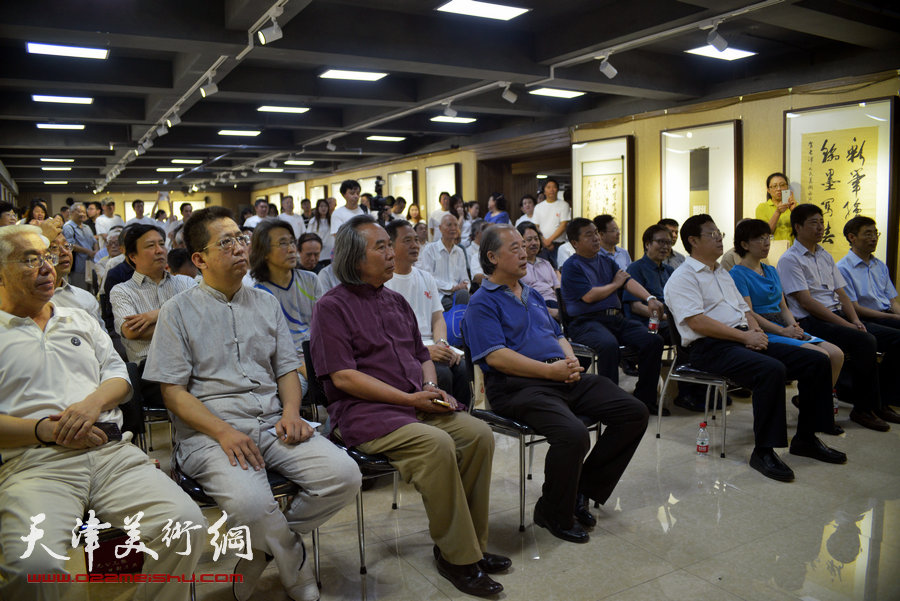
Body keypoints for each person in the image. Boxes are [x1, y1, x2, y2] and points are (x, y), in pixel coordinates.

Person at [143, 207, 360, 601]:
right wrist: (223, 432)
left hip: (273, 420)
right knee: (250, 504)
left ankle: (262, 551)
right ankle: (294, 565)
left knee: (345, 476)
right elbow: (172, 393)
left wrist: (292, 412)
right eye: (225, 242)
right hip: (211, 433)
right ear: (199, 259)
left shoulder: (264, 302)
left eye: (240, 239)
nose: (239, 248)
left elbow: (286, 370)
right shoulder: (178, 311)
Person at [0, 224, 203, 601]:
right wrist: (45, 430)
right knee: (34, 568)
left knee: (186, 525)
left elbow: (119, 378)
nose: (48, 267)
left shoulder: (78, 318)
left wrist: (92, 404)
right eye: (30, 260)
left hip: (111, 453)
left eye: (47, 257)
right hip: (36, 463)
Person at [310, 215, 510, 597]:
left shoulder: (395, 300)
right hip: (366, 413)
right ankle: (459, 557)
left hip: (413, 402)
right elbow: (343, 378)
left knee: (478, 433)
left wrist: (432, 387)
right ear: (354, 259)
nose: (393, 253)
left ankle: (469, 545)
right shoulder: (331, 307)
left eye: (391, 244)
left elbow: (421, 355)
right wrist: (409, 398)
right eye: (381, 247)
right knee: (437, 446)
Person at [464, 224, 648, 544]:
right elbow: (496, 357)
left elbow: (558, 334)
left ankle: (580, 491)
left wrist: (570, 360)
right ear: (492, 257)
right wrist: (549, 372)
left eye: (525, 246)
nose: (525, 252)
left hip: (560, 376)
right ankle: (553, 510)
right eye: (515, 248)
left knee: (633, 411)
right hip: (517, 387)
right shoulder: (482, 302)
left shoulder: (531, 292)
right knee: (573, 434)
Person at [664, 214, 847, 482]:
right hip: (708, 348)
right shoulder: (682, 277)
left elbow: (743, 308)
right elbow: (697, 322)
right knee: (770, 370)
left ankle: (807, 438)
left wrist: (755, 330)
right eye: (712, 234)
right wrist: (745, 338)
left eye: (719, 234)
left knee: (815, 361)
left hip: (739, 339)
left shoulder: (721, 273)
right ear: (692, 241)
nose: (719, 239)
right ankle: (764, 451)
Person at [777, 204, 900, 431]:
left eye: (822, 222)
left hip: (836, 314)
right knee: (866, 341)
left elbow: (841, 292)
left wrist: (854, 320)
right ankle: (863, 409)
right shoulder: (790, 259)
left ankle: (879, 402)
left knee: (876, 336)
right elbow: (807, 302)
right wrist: (847, 324)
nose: (820, 227)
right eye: (814, 222)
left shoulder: (824, 255)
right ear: (798, 227)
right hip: (810, 320)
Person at [730, 219, 845, 430]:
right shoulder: (736, 274)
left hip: (785, 324)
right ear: (745, 244)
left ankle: (812, 404)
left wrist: (795, 327)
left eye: (768, 238)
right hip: (764, 328)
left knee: (836, 354)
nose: (766, 243)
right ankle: (816, 415)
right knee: (821, 356)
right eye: (760, 239)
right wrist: (783, 331)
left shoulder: (771, 270)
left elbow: (783, 306)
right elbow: (750, 313)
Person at [561, 217, 665, 412]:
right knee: (608, 346)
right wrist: (615, 284)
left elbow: (627, 281)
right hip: (585, 322)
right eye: (588, 235)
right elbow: (590, 296)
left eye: (596, 233)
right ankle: (610, 404)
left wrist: (650, 298)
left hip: (614, 319)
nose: (595, 238)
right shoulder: (572, 266)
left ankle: (645, 399)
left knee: (653, 341)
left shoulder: (606, 261)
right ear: (575, 243)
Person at [385, 219, 471, 406]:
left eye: (416, 240)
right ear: (390, 245)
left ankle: (462, 418)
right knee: (442, 374)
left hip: (432, 344)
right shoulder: (385, 282)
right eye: (407, 241)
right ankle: (443, 421)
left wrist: (442, 343)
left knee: (464, 369)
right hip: (407, 349)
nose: (415, 245)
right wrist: (423, 351)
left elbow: (438, 318)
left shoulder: (425, 277)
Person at [625, 224, 707, 411]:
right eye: (660, 242)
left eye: (668, 243)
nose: (665, 247)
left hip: (670, 322)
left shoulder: (670, 271)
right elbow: (636, 307)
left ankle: (699, 390)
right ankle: (678, 393)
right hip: (645, 324)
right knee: (682, 335)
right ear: (647, 244)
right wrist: (666, 317)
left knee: (700, 335)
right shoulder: (636, 269)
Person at [250, 220, 318, 397]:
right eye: (282, 243)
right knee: (289, 393)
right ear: (264, 252)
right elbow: (270, 348)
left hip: (319, 355)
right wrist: (304, 368)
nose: (291, 249)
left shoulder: (311, 280)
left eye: (292, 242)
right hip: (286, 365)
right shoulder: (259, 293)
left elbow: (325, 326)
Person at [837, 216, 900, 327]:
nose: (874, 238)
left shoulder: (879, 265)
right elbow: (856, 308)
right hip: (867, 319)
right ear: (852, 237)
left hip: (888, 315)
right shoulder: (843, 268)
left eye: (875, 233)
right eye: (868, 234)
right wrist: (893, 317)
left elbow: (892, 301)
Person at [419, 214, 471, 310]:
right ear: (440, 228)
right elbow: (427, 278)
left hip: (457, 294)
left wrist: (464, 286)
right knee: (455, 306)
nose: (453, 228)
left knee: (466, 298)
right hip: (437, 294)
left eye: (456, 225)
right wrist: (452, 287)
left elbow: (465, 279)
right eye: (449, 225)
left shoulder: (459, 251)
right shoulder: (430, 249)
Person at [49, 233, 102, 324]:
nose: (65, 252)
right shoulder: (28, 303)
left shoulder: (86, 299)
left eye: (66, 246)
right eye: (54, 247)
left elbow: (101, 336)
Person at [517, 221, 560, 319]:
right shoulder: (517, 266)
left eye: (536, 239)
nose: (534, 243)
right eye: (529, 239)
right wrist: (548, 310)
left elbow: (557, 287)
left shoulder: (546, 263)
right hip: (533, 307)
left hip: (554, 303)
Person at [531, 179, 571, 264]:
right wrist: (544, 241)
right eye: (548, 187)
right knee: (542, 269)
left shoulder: (564, 205)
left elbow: (563, 225)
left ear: (557, 189)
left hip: (558, 244)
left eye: (554, 187)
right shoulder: (538, 207)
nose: (551, 190)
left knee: (558, 269)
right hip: (542, 244)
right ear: (544, 190)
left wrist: (549, 240)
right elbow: (536, 226)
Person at [62, 202, 96, 290]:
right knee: (80, 290)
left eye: (84, 212)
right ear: (72, 212)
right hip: (78, 267)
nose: (82, 214)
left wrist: (95, 251)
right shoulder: (68, 227)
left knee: (91, 290)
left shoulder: (87, 227)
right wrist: (88, 252)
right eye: (79, 211)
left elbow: (94, 241)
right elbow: (70, 245)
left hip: (90, 265)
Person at [756, 172, 796, 241]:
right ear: (768, 190)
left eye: (782, 185)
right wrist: (778, 212)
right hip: (772, 249)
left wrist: (794, 211)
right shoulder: (762, 207)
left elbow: (804, 232)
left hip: (792, 249)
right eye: (774, 186)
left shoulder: (794, 205)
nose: (779, 189)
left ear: (787, 187)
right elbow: (765, 233)